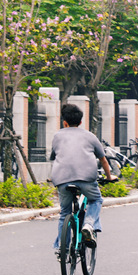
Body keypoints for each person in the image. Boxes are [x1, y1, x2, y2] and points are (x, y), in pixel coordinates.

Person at [50, 103, 115, 254]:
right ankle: (89, 225)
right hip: (87, 178)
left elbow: (55, 157)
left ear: (64, 122)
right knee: (96, 200)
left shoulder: (57, 136)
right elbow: (103, 160)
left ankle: (63, 248)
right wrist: (109, 177)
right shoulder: (90, 136)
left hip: (61, 179)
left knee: (64, 212)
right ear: (80, 122)